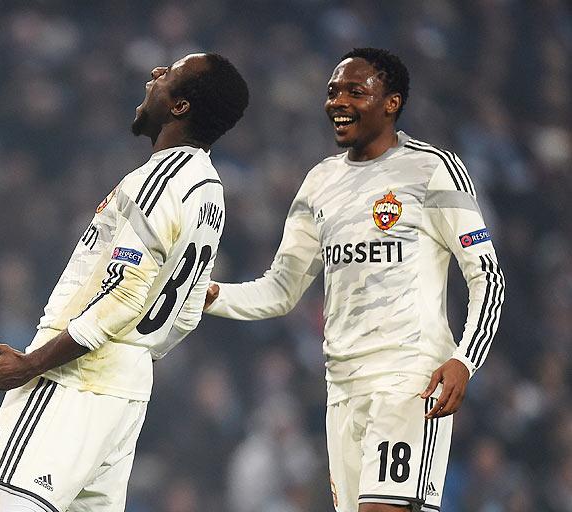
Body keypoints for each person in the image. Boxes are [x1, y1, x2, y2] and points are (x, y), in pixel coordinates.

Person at [204, 47, 505, 512]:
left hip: (410, 380)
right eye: (332, 92)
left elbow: (486, 275)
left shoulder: (433, 170)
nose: (338, 101)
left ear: (392, 103)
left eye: (355, 91)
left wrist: (465, 360)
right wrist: (209, 295)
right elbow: (281, 289)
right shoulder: (318, 184)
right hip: (342, 388)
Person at [0, 52, 249, 512]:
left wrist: (33, 364)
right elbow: (188, 309)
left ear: (180, 106)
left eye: (169, 75)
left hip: (76, 377)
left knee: (9, 503)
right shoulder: (209, 189)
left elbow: (121, 297)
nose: (155, 76)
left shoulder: (160, 180)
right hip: (127, 385)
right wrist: (137, 350)